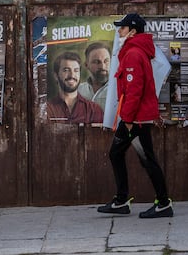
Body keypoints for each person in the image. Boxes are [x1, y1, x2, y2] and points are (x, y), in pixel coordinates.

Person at [97, 13, 173, 218]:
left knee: (145, 158)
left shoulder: (133, 54)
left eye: (122, 28)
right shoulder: (134, 51)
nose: (118, 31)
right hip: (135, 117)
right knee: (121, 154)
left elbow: (134, 90)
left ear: (132, 31)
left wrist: (128, 120)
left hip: (135, 120)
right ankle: (122, 200)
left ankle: (162, 203)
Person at [47, 51, 104, 123]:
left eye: (76, 70)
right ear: (56, 75)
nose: (72, 75)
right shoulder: (47, 109)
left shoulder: (94, 110)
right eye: (66, 70)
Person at [78, 42, 111, 111]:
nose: (102, 66)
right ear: (86, 65)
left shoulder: (118, 90)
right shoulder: (78, 91)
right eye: (96, 62)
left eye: (106, 61)